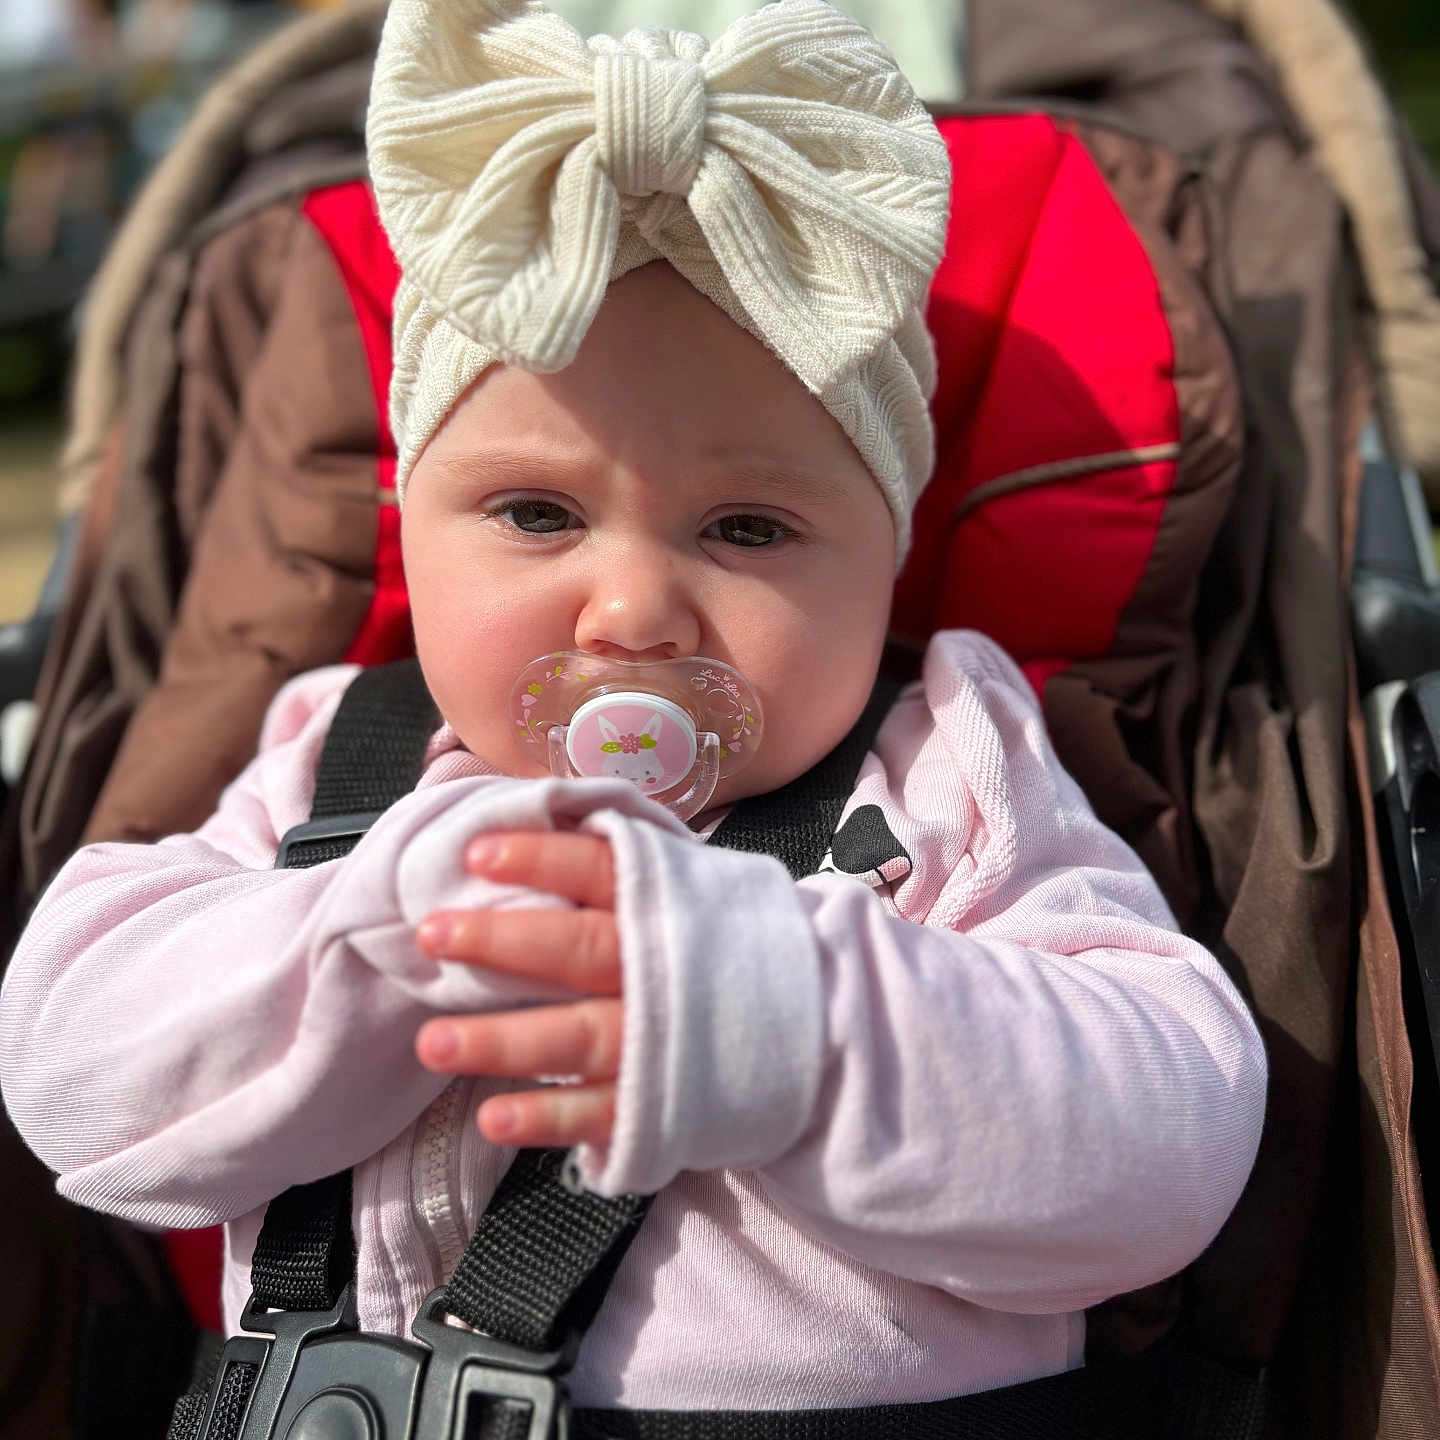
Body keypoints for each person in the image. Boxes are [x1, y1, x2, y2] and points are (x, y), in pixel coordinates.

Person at [0, 0, 1266, 1412]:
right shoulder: (335, 765)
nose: (633, 610)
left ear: (886, 563)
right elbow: (70, 1065)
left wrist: (795, 1018)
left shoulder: (944, 768)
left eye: (748, 529)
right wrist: (371, 936)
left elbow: (1175, 1140)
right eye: (538, 514)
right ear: (412, 527)